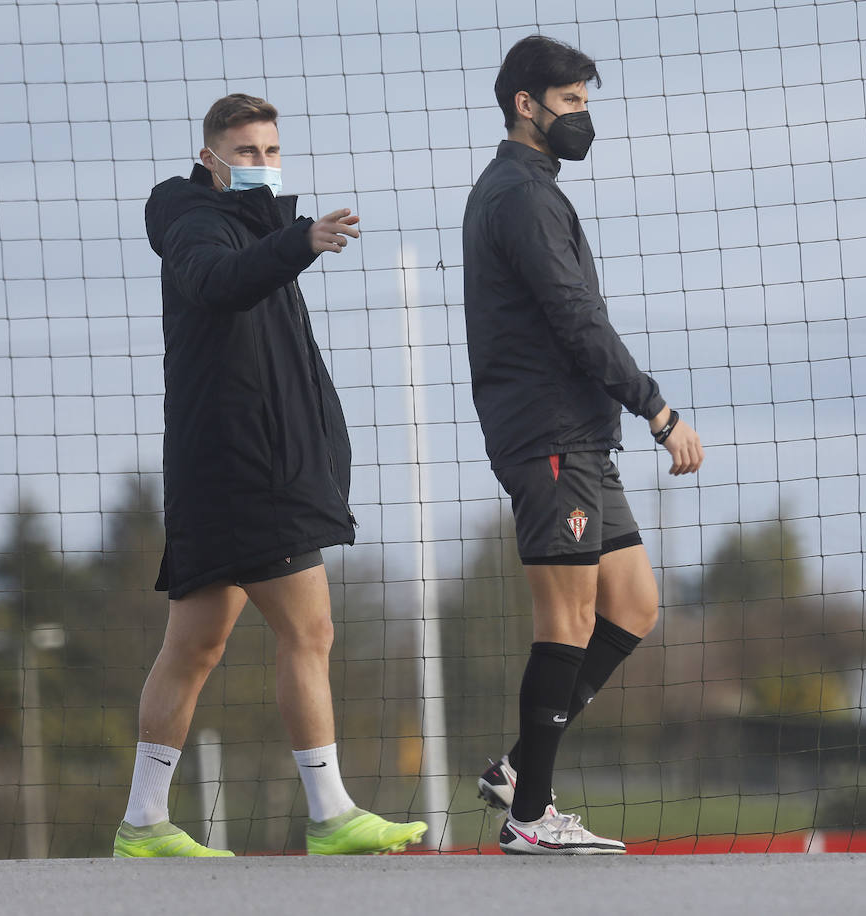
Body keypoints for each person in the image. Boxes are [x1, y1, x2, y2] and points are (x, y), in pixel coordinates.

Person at [113, 93, 426, 858]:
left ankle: (143, 824)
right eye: (247, 152)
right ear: (210, 156)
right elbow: (219, 281)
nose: (263, 163)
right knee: (309, 630)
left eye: (271, 150)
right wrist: (301, 243)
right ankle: (329, 812)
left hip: (220, 469)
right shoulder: (193, 220)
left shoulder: (255, 228)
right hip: (247, 469)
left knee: (192, 648)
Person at [462, 37, 705, 855]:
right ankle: (530, 818)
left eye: (587, 104)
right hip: (548, 438)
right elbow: (575, 319)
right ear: (525, 105)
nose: (583, 119)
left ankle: (518, 766)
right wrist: (658, 410)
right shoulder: (520, 198)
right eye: (569, 104)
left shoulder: (531, 189)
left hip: (579, 440)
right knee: (564, 620)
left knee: (632, 604)